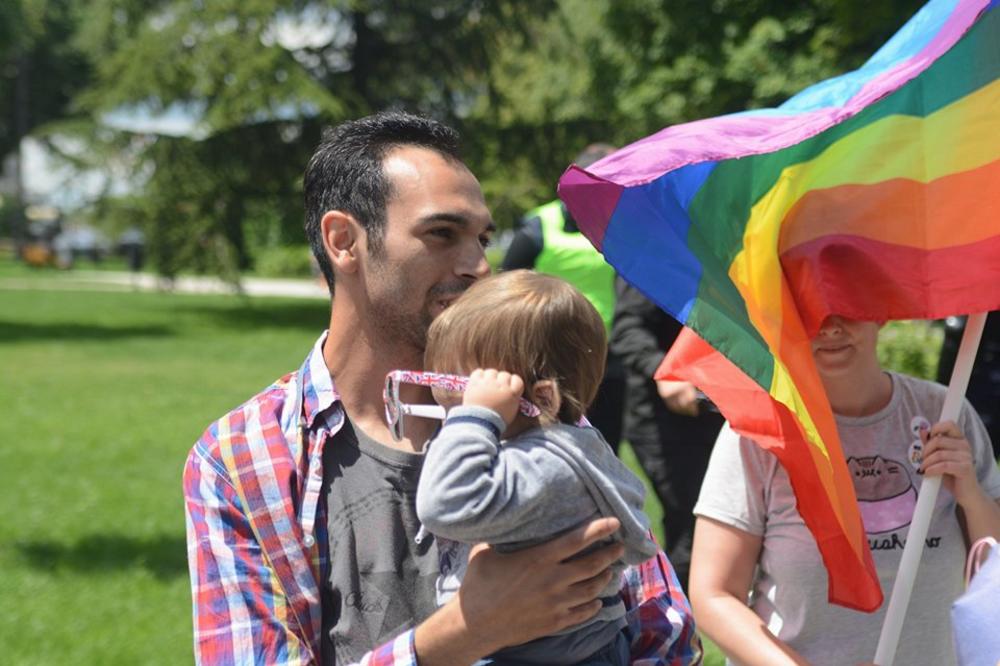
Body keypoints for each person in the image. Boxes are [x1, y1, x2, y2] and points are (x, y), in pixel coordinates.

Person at [183, 111, 701, 666]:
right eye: (442, 234)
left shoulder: (537, 414)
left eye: (482, 238)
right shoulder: (242, 458)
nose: (480, 265)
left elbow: (664, 636)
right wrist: (463, 634)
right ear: (343, 241)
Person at [689, 314, 1000, 666]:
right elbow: (713, 595)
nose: (831, 327)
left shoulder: (945, 414)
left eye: (847, 305)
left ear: (880, 314)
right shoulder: (756, 434)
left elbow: (993, 568)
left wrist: (970, 495)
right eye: (809, 309)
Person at [413, 270, 658, 665]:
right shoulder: (577, 451)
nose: (451, 411)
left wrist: (473, 420)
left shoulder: (546, 467)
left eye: (469, 393)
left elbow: (443, 505)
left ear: (542, 398)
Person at [501, 144, 624, 451]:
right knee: (551, 445)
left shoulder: (621, 227)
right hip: (548, 359)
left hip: (609, 355)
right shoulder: (536, 229)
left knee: (605, 447)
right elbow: (502, 292)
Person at [610, 278, 724, 592]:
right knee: (693, 524)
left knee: (718, 524)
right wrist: (665, 371)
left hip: (718, 411)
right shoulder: (653, 250)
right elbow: (627, 329)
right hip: (663, 420)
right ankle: (675, 623)